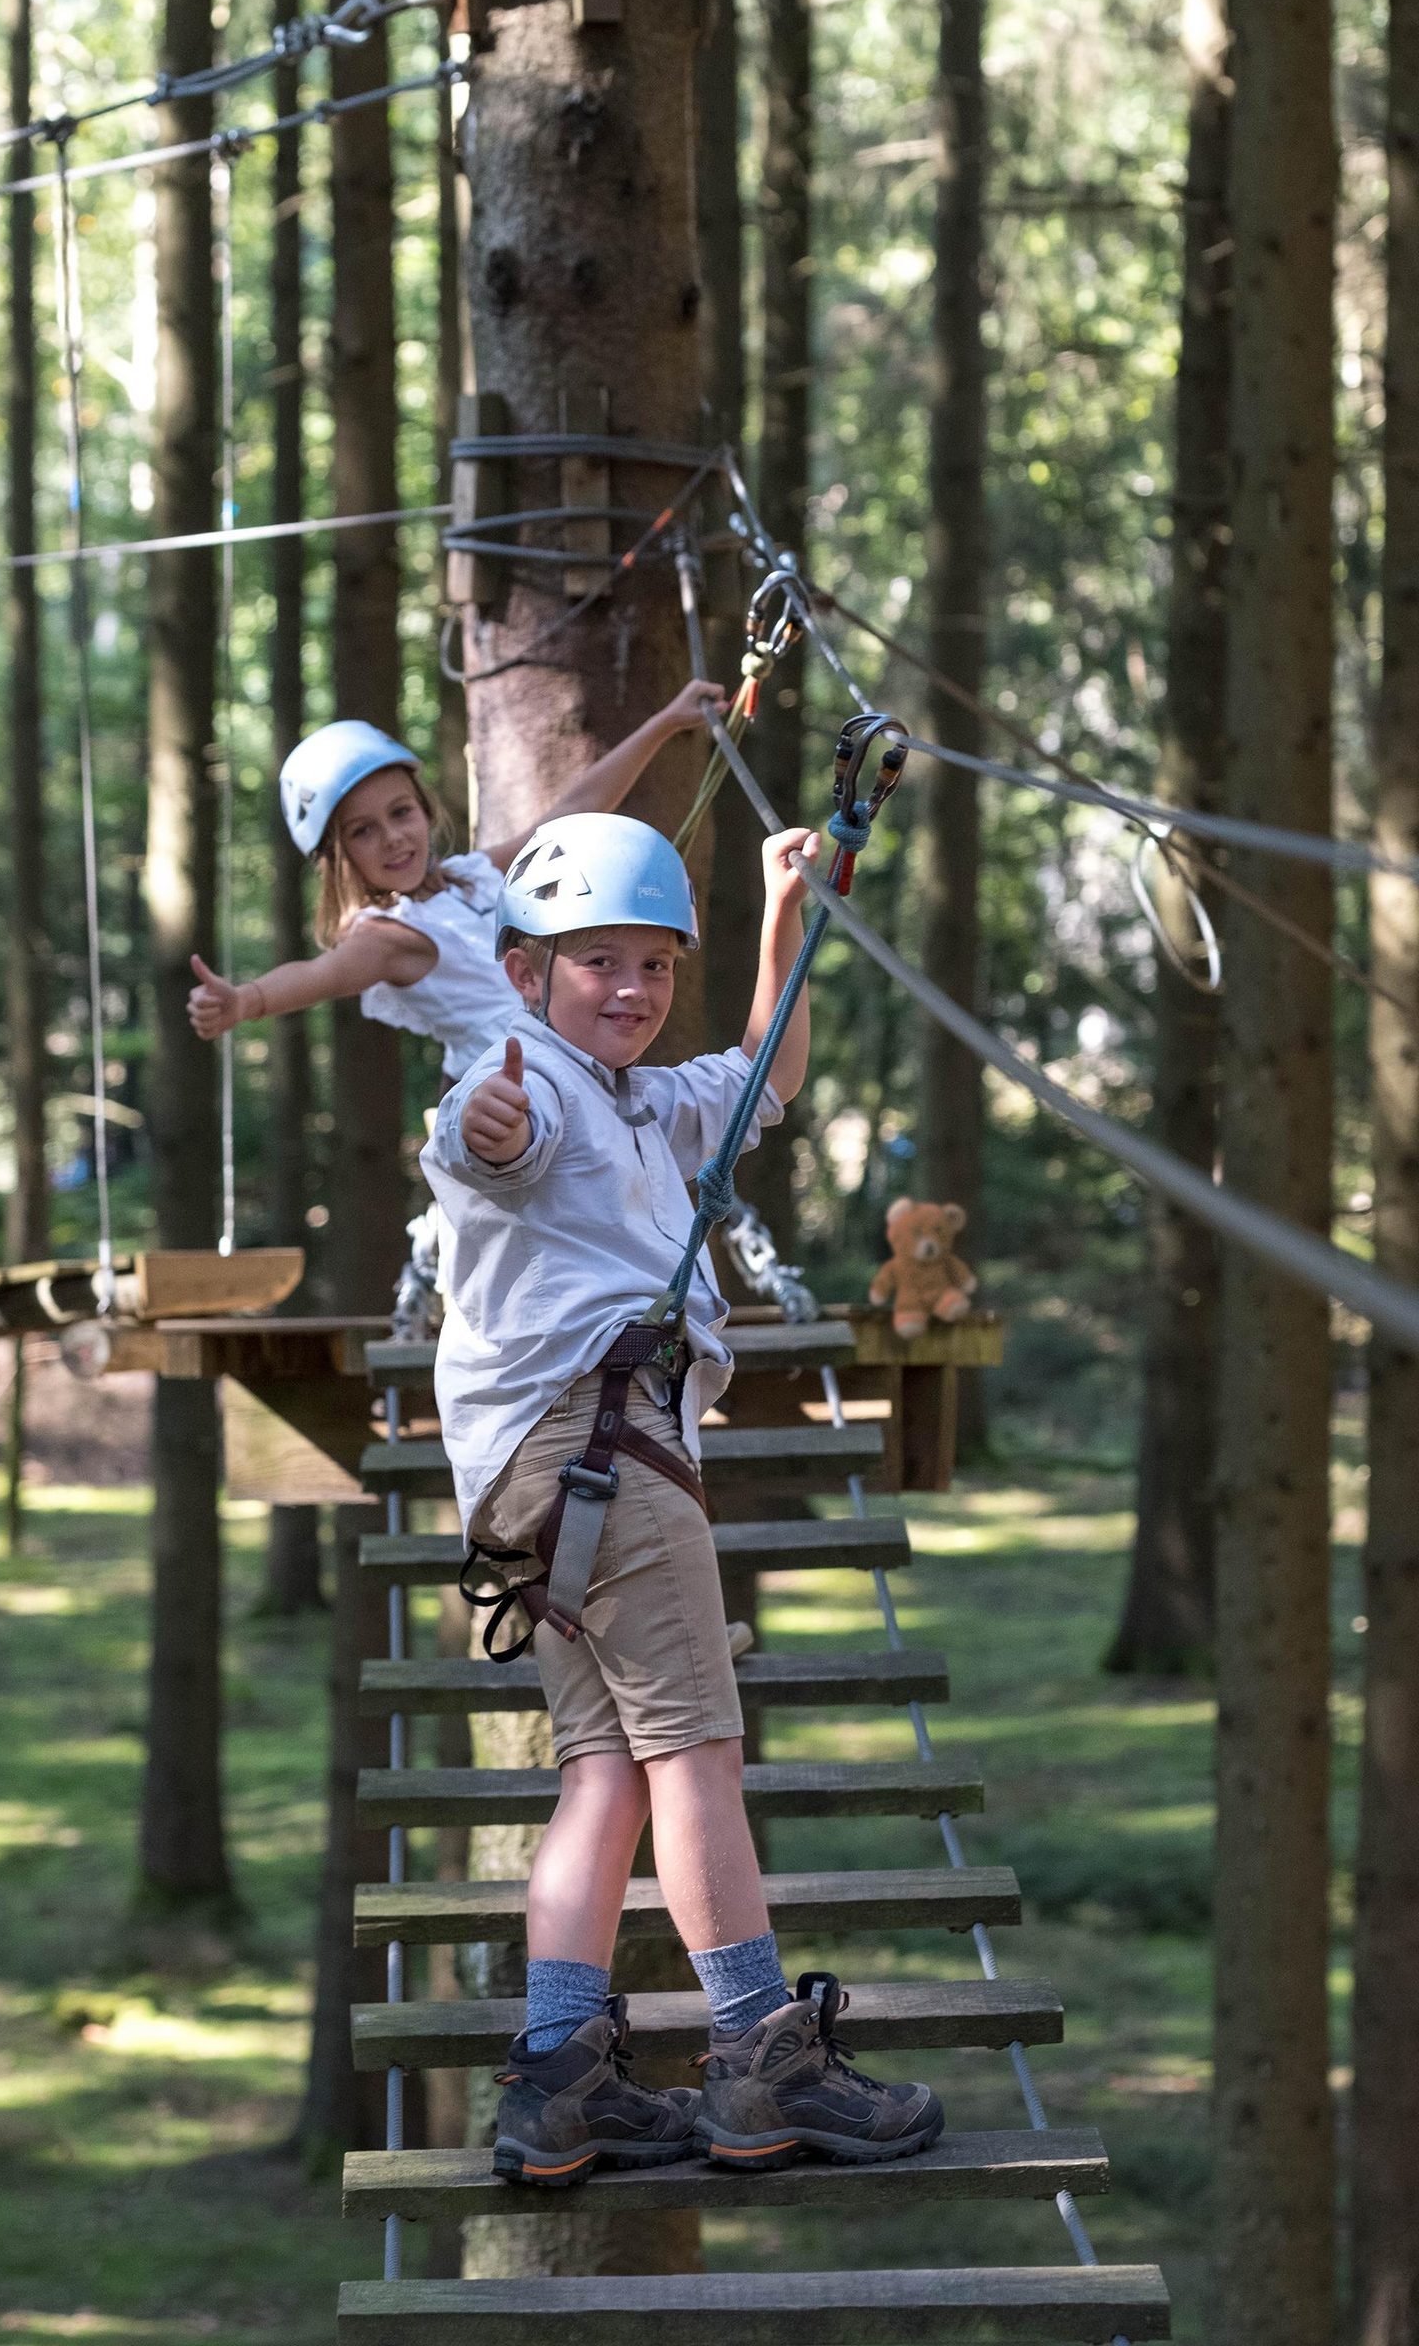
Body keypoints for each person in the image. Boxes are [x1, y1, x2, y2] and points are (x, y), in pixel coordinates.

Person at [420, 811, 946, 2186]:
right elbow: (488, 1142)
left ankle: (559, 2079)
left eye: (654, 965)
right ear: (530, 972)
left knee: (605, 1770)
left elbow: (768, 1074)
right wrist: (487, 1117)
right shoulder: (522, 1080)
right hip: (599, 1453)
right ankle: (762, 2053)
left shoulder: (643, 1101)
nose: (633, 991)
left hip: (550, 1479)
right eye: (599, 962)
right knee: (697, 1751)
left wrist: (785, 916)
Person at [185, 679, 725, 1081]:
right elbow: (317, 974)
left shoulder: (472, 877)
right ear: (339, 854)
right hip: (507, 1096)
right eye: (364, 831)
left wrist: (666, 723)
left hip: (571, 1074)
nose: (393, 838)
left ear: (424, 809)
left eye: (401, 813)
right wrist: (245, 1001)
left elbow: (574, 809)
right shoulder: (387, 938)